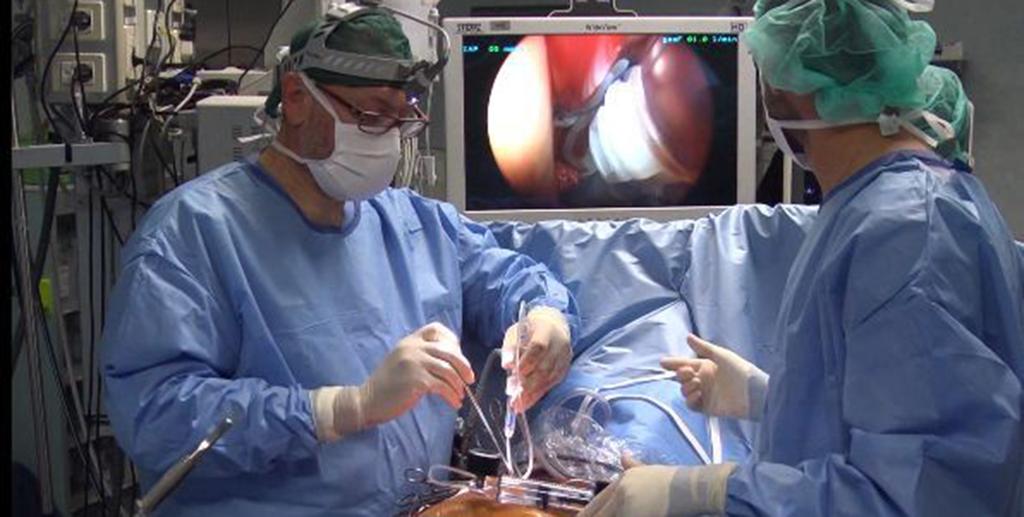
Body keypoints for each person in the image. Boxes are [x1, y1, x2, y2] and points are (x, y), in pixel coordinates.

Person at [100, 7, 579, 516]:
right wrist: (343, 408)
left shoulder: (411, 224)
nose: (388, 137)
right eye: (371, 116)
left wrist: (545, 317)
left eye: (401, 118)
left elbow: (511, 278)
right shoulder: (194, 233)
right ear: (296, 97)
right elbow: (156, 415)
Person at [581, 0, 1024, 515]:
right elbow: (901, 410)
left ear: (792, 85)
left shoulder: (907, 232)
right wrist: (768, 398)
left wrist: (706, 491)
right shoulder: (888, 205)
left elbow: (917, 496)